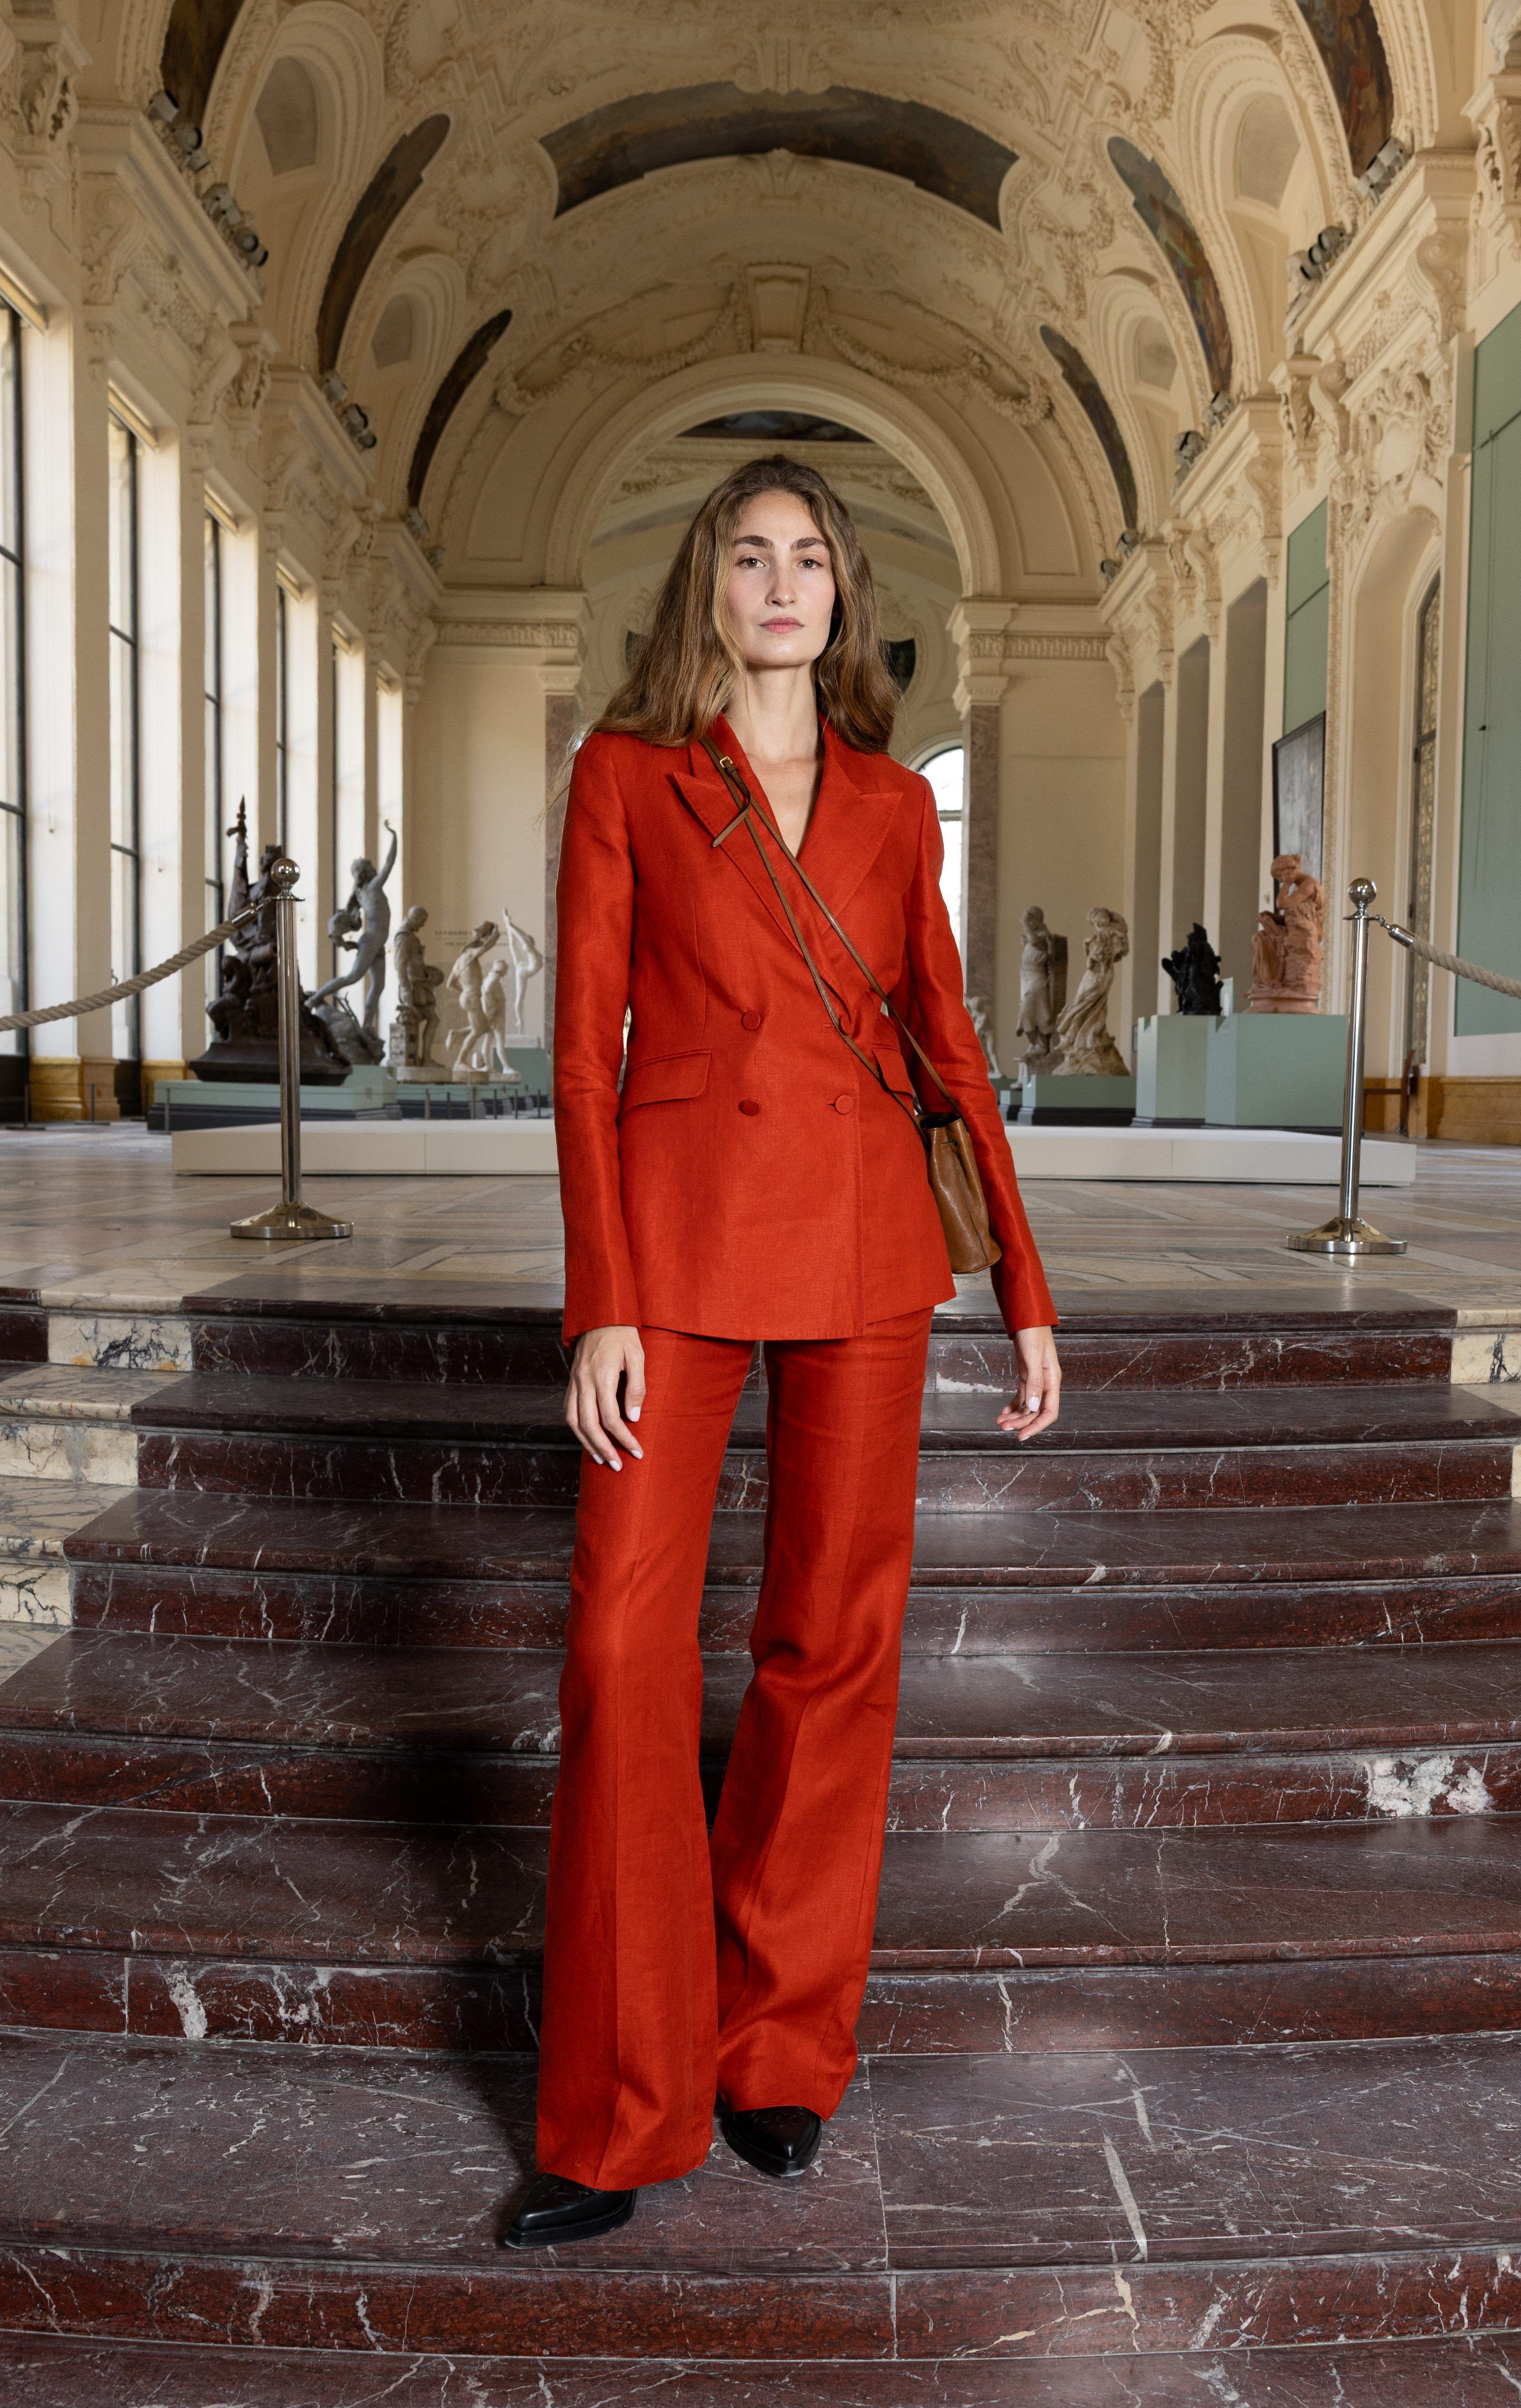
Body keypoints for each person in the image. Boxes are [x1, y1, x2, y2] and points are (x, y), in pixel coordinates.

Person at [505, 453, 1062, 2251]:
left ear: (842, 595)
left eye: (807, 557)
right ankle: (617, 2110)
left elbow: (950, 1045)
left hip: (864, 1244)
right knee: (621, 1643)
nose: (778, 584)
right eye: (748, 556)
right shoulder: (626, 774)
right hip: (671, 1248)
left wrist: (1026, 1286)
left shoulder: (896, 805)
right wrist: (597, 1295)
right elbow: (584, 1049)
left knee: (832, 1644)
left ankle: (777, 2052)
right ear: (708, 587)